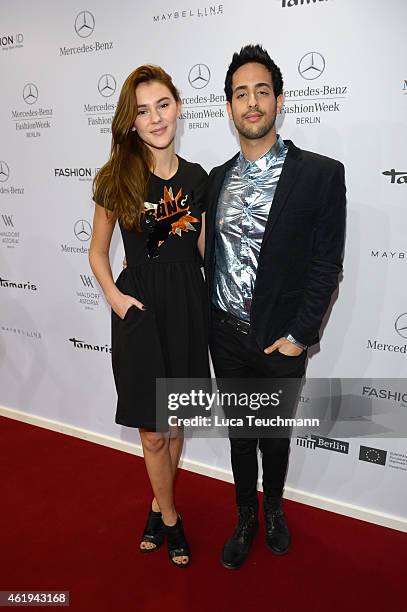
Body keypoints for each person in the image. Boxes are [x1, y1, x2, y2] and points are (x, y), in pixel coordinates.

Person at [204, 45, 346, 569]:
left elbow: (326, 265)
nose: (252, 102)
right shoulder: (215, 180)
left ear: (279, 101)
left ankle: (276, 509)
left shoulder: (320, 175)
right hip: (227, 335)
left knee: (274, 436)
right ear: (228, 108)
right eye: (241, 93)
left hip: (281, 340)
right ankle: (245, 516)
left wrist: (301, 334)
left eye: (262, 91)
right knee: (241, 435)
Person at [89, 64, 210, 568]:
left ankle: (158, 504)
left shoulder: (198, 178)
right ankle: (172, 519)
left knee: (175, 425)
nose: (156, 117)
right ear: (131, 122)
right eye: (143, 110)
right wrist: (118, 300)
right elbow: (97, 252)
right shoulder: (116, 176)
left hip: (187, 308)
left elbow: (204, 250)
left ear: (178, 107)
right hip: (140, 312)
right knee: (152, 430)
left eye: (163, 105)